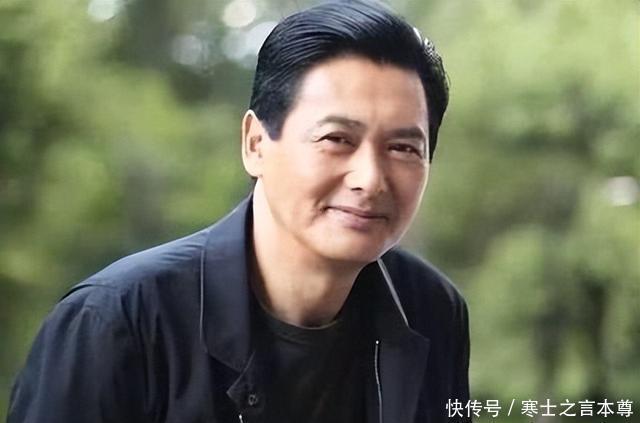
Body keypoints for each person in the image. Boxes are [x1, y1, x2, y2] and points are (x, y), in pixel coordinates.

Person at [8, 1, 470, 422]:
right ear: (255, 144)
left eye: (403, 148)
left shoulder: (430, 310)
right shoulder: (118, 321)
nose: (369, 179)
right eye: (336, 139)